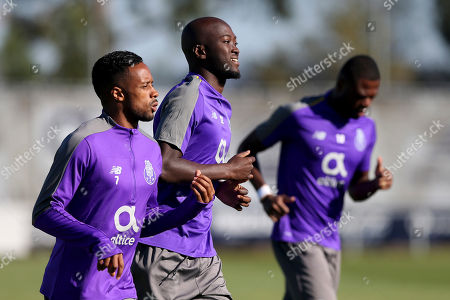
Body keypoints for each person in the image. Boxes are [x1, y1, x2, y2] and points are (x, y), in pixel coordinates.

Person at [32, 50, 215, 300]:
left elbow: (144, 220)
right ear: (118, 94)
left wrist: (191, 208)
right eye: (145, 86)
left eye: (152, 84)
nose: (154, 92)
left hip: (123, 290)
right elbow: (45, 212)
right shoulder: (84, 142)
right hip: (73, 290)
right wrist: (98, 239)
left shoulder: (151, 149)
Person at [238, 55, 393, 300]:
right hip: (296, 235)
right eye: (361, 94)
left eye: (372, 96)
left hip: (331, 239)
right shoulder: (298, 115)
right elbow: (245, 151)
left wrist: (374, 185)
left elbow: (355, 189)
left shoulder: (367, 128)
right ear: (342, 84)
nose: (366, 102)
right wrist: (265, 194)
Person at [131, 17, 254, 300]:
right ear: (200, 52)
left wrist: (220, 186)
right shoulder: (189, 95)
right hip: (165, 249)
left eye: (236, 42)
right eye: (226, 42)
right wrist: (229, 169)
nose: (235, 49)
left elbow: (193, 166)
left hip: (202, 251)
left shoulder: (218, 103)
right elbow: (165, 165)